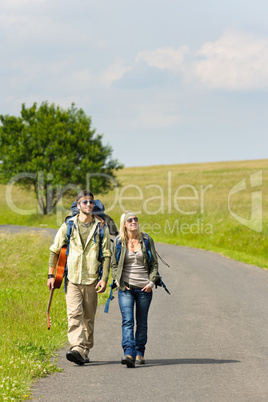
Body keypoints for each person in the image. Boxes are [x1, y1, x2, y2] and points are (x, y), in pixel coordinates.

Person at [47, 190, 111, 365]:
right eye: (85, 202)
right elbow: (54, 250)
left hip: (92, 279)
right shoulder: (68, 225)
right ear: (78, 205)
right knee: (74, 314)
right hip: (72, 279)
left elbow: (106, 255)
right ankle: (76, 347)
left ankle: (85, 349)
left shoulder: (100, 228)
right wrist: (51, 275)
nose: (88, 205)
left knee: (88, 318)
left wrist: (104, 278)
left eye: (91, 202)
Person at [111, 210, 159, 368]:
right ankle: (128, 353)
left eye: (135, 219)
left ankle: (140, 352)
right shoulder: (119, 241)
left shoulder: (146, 240)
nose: (133, 222)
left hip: (144, 288)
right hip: (126, 288)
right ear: (124, 224)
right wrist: (117, 280)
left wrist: (151, 283)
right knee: (128, 321)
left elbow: (154, 264)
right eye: (130, 220)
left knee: (142, 322)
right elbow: (113, 264)